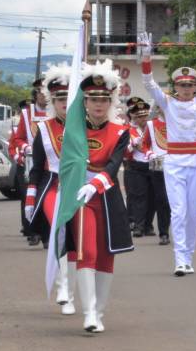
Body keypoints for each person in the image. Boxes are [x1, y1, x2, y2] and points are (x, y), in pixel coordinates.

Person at [138, 32, 196, 276]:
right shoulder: (167, 102)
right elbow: (148, 82)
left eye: (189, 85)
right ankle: (179, 259)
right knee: (178, 211)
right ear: (175, 86)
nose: (186, 89)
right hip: (175, 163)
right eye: (181, 85)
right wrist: (146, 55)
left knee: (194, 213)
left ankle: (188, 256)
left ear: (195, 86)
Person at [72, 60, 134, 333]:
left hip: (107, 198)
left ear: (111, 102)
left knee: (107, 255)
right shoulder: (73, 129)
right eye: (93, 99)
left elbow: (114, 164)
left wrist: (95, 183)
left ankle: (99, 312)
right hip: (81, 198)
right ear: (85, 102)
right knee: (87, 251)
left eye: (104, 99)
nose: (99, 104)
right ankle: (88, 312)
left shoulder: (120, 132)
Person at [25, 64, 77, 315]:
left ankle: (74, 291)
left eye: (68, 98)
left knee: (79, 239)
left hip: (80, 187)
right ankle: (63, 287)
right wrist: (30, 196)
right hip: (53, 186)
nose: (64, 103)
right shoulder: (44, 128)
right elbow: (36, 167)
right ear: (52, 102)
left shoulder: (86, 125)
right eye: (59, 99)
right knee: (59, 228)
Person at [11, 80, 49, 246]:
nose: (44, 96)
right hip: (30, 161)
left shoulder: (55, 112)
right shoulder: (27, 114)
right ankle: (32, 232)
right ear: (36, 94)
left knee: (46, 196)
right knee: (29, 196)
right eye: (41, 93)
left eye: (47, 93)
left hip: (49, 161)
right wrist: (25, 147)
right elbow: (18, 138)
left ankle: (47, 234)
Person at [141, 106, 171, 246]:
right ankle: (164, 233)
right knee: (162, 199)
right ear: (159, 109)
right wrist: (149, 153)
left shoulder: (178, 123)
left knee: (177, 201)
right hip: (158, 167)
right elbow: (144, 144)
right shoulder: (151, 124)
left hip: (177, 166)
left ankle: (180, 231)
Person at [123, 97, 153, 238]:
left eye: (145, 116)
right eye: (139, 117)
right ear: (134, 117)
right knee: (139, 197)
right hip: (136, 166)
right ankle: (138, 226)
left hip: (152, 166)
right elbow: (125, 153)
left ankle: (148, 225)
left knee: (153, 198)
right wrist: (132, 145)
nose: (143, 119)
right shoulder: (128, 130)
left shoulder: (152, 128)